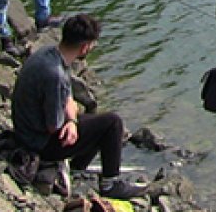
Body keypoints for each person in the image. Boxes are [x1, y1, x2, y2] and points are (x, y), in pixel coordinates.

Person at [10, 13, 146, 200]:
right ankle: (110, 184)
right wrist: (72, 120)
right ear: (84, 47)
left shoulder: (48, 54)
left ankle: (78, 168)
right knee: (112, 123)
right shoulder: (54, 74)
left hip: (27, 129)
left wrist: (71, 111)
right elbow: (54, 125)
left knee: (96, 121)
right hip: (37, 142)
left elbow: (65, 95)